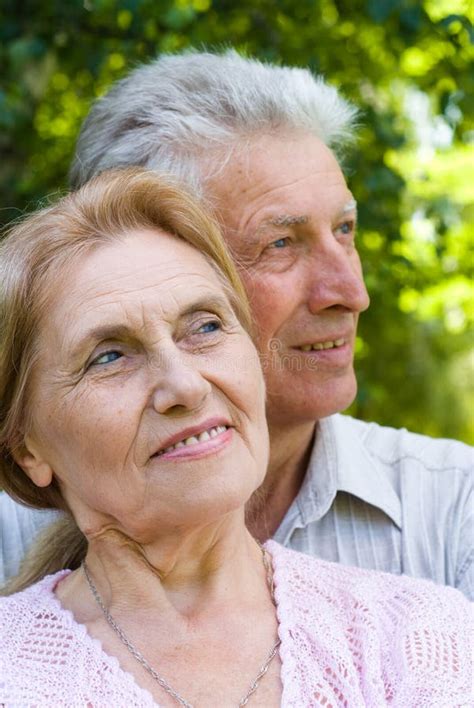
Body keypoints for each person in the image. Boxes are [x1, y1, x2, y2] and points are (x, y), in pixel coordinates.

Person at [1, 50, 472, 597]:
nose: (351, 294)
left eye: (345, 230)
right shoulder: (13, 544)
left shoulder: (450, 508)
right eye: (279, 244)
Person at [0, 168, 471, 707]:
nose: (184, 385)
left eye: (204, 326)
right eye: (109, 356)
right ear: (27, 448)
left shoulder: (419, 639)